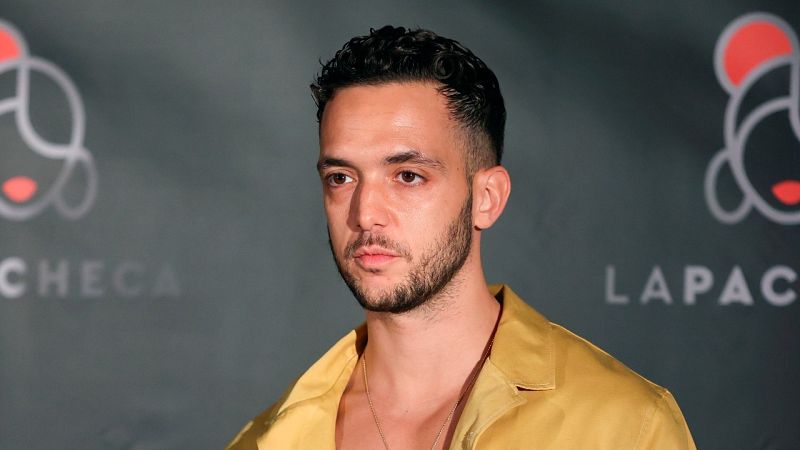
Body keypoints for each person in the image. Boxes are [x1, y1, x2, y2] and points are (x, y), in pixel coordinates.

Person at [225, 26, 696, 450]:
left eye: (408, 176)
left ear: (487, 198)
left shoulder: (623, 427)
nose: (365, 213)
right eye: (341, 178)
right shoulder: (266, 441)